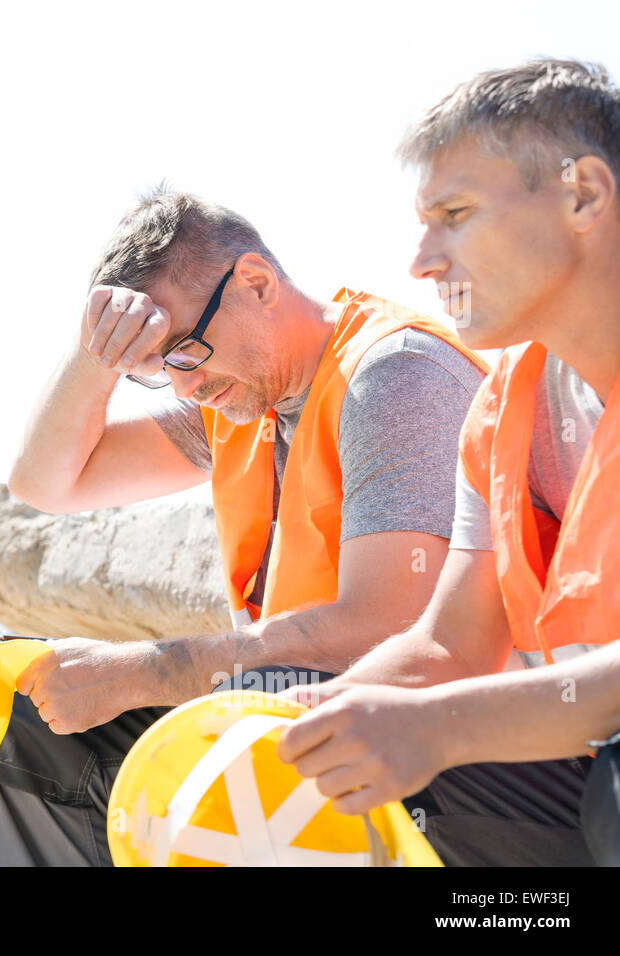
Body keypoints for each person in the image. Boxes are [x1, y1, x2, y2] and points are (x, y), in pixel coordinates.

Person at [0, 185, 488, 865]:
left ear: (254, 282)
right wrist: (92, 358)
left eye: (187, 350)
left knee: (206, 702)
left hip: (443, 742)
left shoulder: (395, 375)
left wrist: (149, 671)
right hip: (298, 703)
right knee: (34, 714)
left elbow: (391, 628)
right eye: (158, 369)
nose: (186, 386)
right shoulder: (235, 404)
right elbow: (44, 483)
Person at [276, 58, 620, 867]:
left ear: (584, 196)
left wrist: (437, 727)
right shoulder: (502, 411)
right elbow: (449, 648)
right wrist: (324, 716)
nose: (422, 262)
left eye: (455, 214)